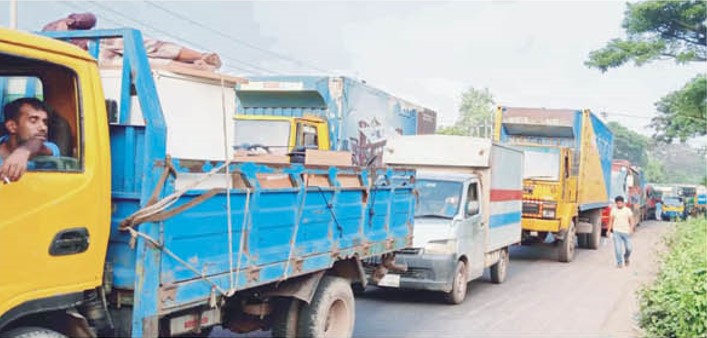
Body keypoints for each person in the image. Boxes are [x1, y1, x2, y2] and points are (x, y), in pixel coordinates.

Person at [0, 98, 61, 182]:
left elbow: (40, 146)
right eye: (33, 120)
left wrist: (23, 152)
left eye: (45, 122)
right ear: (12, 126)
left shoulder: (48, 148)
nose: (43, 128)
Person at [607, 196, 635, 268]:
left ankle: (626, 257)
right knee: (618, 249)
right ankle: (619, 263)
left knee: (629, 248)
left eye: (620, 203)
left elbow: (632, 220)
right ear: (616, 203)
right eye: (618, 203)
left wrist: (631, 229)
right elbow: (611, 221)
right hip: (616, 232)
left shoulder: (627, 210)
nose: (619, 204)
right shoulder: (613, 210)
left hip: (626, 232)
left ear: (623, 203)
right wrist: (609, 231)